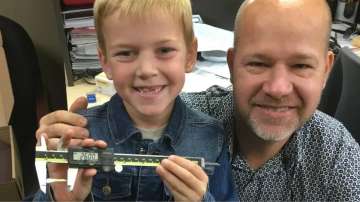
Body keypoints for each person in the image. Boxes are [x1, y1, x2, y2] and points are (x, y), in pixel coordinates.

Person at [36, 0, 360, 201]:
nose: (277, 87)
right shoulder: (186, 114)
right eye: (257, 63)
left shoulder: (337, 157)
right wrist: (54, 185)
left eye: (301, 65)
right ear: (231, 65)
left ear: (326, 69)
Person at [33, 0, 236, 201]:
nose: (146, 70)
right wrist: (59, 197)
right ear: (105, 62)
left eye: (164, 50)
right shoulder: (79, 137)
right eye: (125, 53)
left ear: (190, 55)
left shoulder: (212, 137)